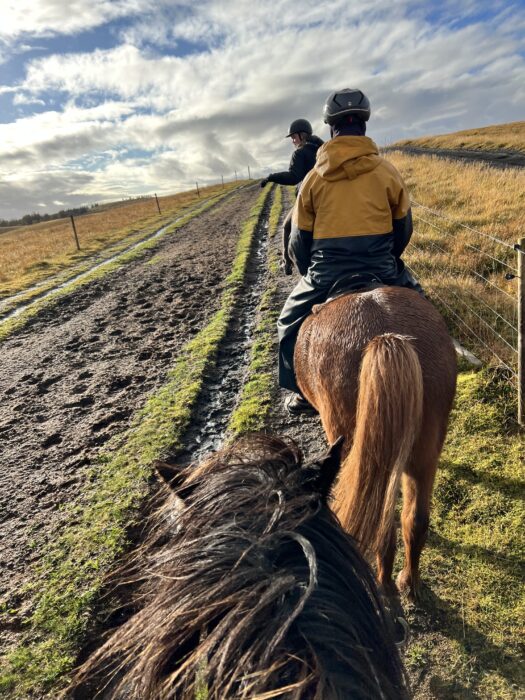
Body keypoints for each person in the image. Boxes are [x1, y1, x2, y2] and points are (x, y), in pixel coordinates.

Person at [278, 88, 423, 414]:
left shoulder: (313, 179)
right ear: (365, 126)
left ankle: (300, 391)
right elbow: (403, 229)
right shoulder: (388, 172)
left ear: (331, 128)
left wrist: (309, 273)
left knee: (287, 325)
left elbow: (299, 241)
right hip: (380, 264)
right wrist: (389, 258)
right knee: (426, 311)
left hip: (327, 269)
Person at [261, 119, 323, 274]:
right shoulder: (323, 150)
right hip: (328, 198)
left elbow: (293, 177)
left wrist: (271, 177)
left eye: (294, 137)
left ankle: (286, 263)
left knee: (287, 226)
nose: (293, 141)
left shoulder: (300, 153)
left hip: (308, 201)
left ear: (302, 135)